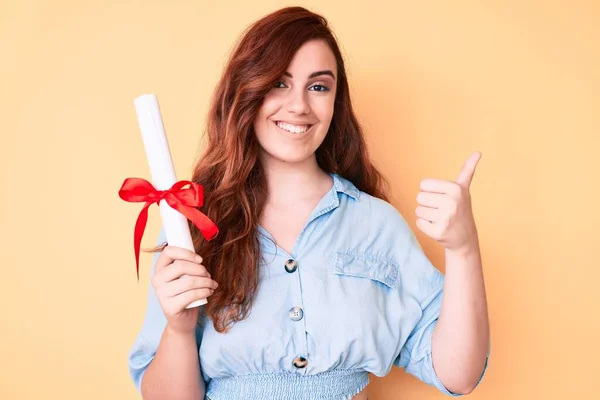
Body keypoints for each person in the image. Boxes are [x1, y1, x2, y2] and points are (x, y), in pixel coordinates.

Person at [127, 6, 490, 400]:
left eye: (318, 86)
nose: (299, 105)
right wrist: (179, 329)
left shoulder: (376, 223)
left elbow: (459, 375)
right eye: (279, 84)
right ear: (248, 89)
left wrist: (464, 249)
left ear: (336, 102)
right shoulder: (192, 226)